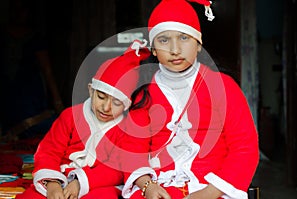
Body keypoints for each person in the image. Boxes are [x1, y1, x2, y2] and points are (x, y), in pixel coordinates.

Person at [120, 0, 260, 199]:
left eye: (184, 38)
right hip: (157, 187)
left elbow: (244, 148)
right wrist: (147, 186)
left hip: (213, 188)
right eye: (164, 40)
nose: (175, 49)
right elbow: (132, 149)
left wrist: (208, 193)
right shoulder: (145, 93)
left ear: (199, 44)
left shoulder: (223, 87)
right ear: (152, 49)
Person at [15, 40, 151, 199]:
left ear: (127, 105)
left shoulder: (126, 127)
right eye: (101, 97)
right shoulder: (70, 116)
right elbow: (48, 151)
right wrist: (52, 183)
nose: (106, 107)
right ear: (91, 90)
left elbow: (118, 168)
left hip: (99, 183)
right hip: (61, 178)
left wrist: (81, 183)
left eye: (116, 102)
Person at [0, 0, 64, 140]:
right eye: (15, 9)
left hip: (29, 95)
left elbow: (47, 70)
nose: (18, 13)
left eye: (22, 9)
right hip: (7, 92)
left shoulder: (34, 37)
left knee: (47, 126)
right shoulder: (3, 34)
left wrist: (57, 101)